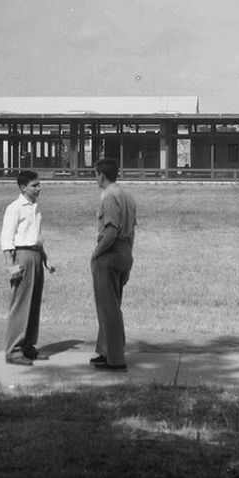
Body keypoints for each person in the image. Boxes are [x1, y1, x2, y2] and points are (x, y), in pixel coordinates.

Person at [0, 170, 54, 365]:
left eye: (39, 184)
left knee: (34, 303)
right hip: (22, 256)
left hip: (36, 255)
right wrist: (11, 265)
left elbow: (36, 236)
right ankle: (14, 350)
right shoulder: (15, 208)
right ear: (23, 188)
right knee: (21, 304)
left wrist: (45, 258)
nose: (39, 188)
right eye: (34, 185)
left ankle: (28, 347)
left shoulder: (35, 207)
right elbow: (6, 238)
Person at [89, 158, 136, 371]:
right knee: (111, 305)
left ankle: (115, 359)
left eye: (95, 174)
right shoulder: (127, 196)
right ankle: (105, 351)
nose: (95, 178)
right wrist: (129, 257)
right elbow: (132, 231)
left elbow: (110, 231)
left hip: (109, 253)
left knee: (108, 309)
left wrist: (96, 254)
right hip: (125, 251)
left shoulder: (109, 197)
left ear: (101, 175)